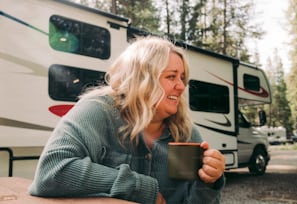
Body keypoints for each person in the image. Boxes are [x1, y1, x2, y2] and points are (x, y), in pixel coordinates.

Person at [29, 36, 226, 204]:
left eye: (182, 78)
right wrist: (140, 187)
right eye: (171, 77)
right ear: (141, 79)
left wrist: (209, 181)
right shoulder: (98, 111)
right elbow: (51, 171)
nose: (181, 87)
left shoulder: (186, 134)